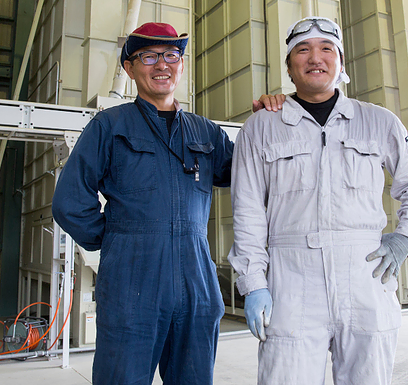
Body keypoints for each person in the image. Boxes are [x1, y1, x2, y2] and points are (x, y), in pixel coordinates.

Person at [52, 22, 280, 384]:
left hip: (197, 281)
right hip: (133, 283)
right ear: (129, 68)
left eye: (171, 55)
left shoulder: (205, 132)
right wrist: (115, 241)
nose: (162, 65)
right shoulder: (110, 126)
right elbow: (69, 202)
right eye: (149, 57)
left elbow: (251, 176)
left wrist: (272, 120)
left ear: (181, 65)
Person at [228, 16, 408, 385]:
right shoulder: (260, 128)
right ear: (290, 68)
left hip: (366, 277)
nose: (315, 58)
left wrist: (407, 236)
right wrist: (254, 282)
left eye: (326, 49)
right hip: (291, 284)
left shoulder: (379, 122)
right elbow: (247, 212)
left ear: (341, 64)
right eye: (303, 50)